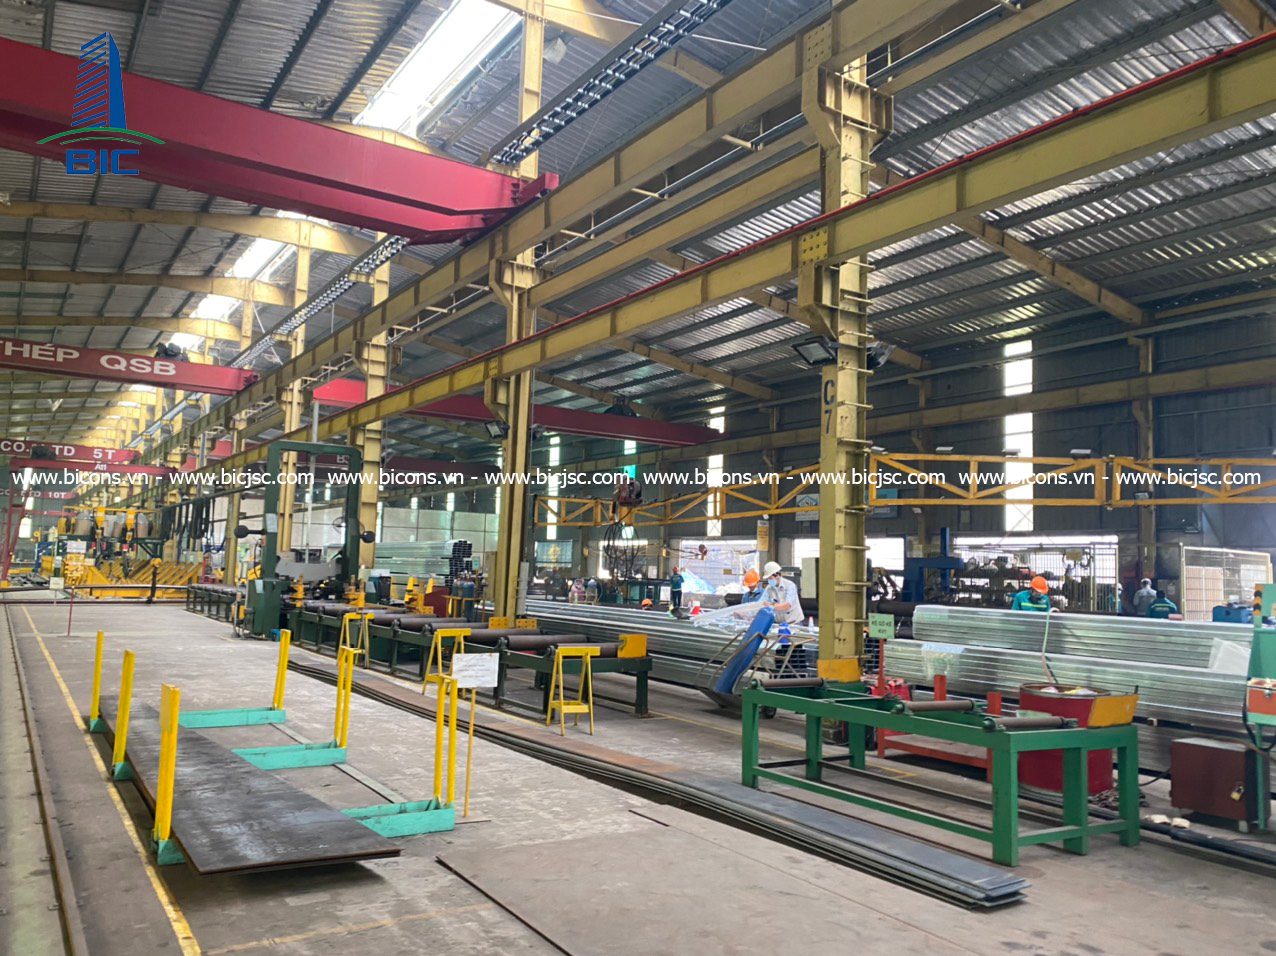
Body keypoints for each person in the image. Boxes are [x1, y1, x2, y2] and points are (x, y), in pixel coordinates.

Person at [762, 561, 804, 626]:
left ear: (777, 575)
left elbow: (787, 605)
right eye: (768, 579)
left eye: (770, 578)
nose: (769, 580)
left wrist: (772, 606)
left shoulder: (790, 586)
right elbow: (761, 602)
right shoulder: (769, 588)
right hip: (779, 623)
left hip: (794, 623)